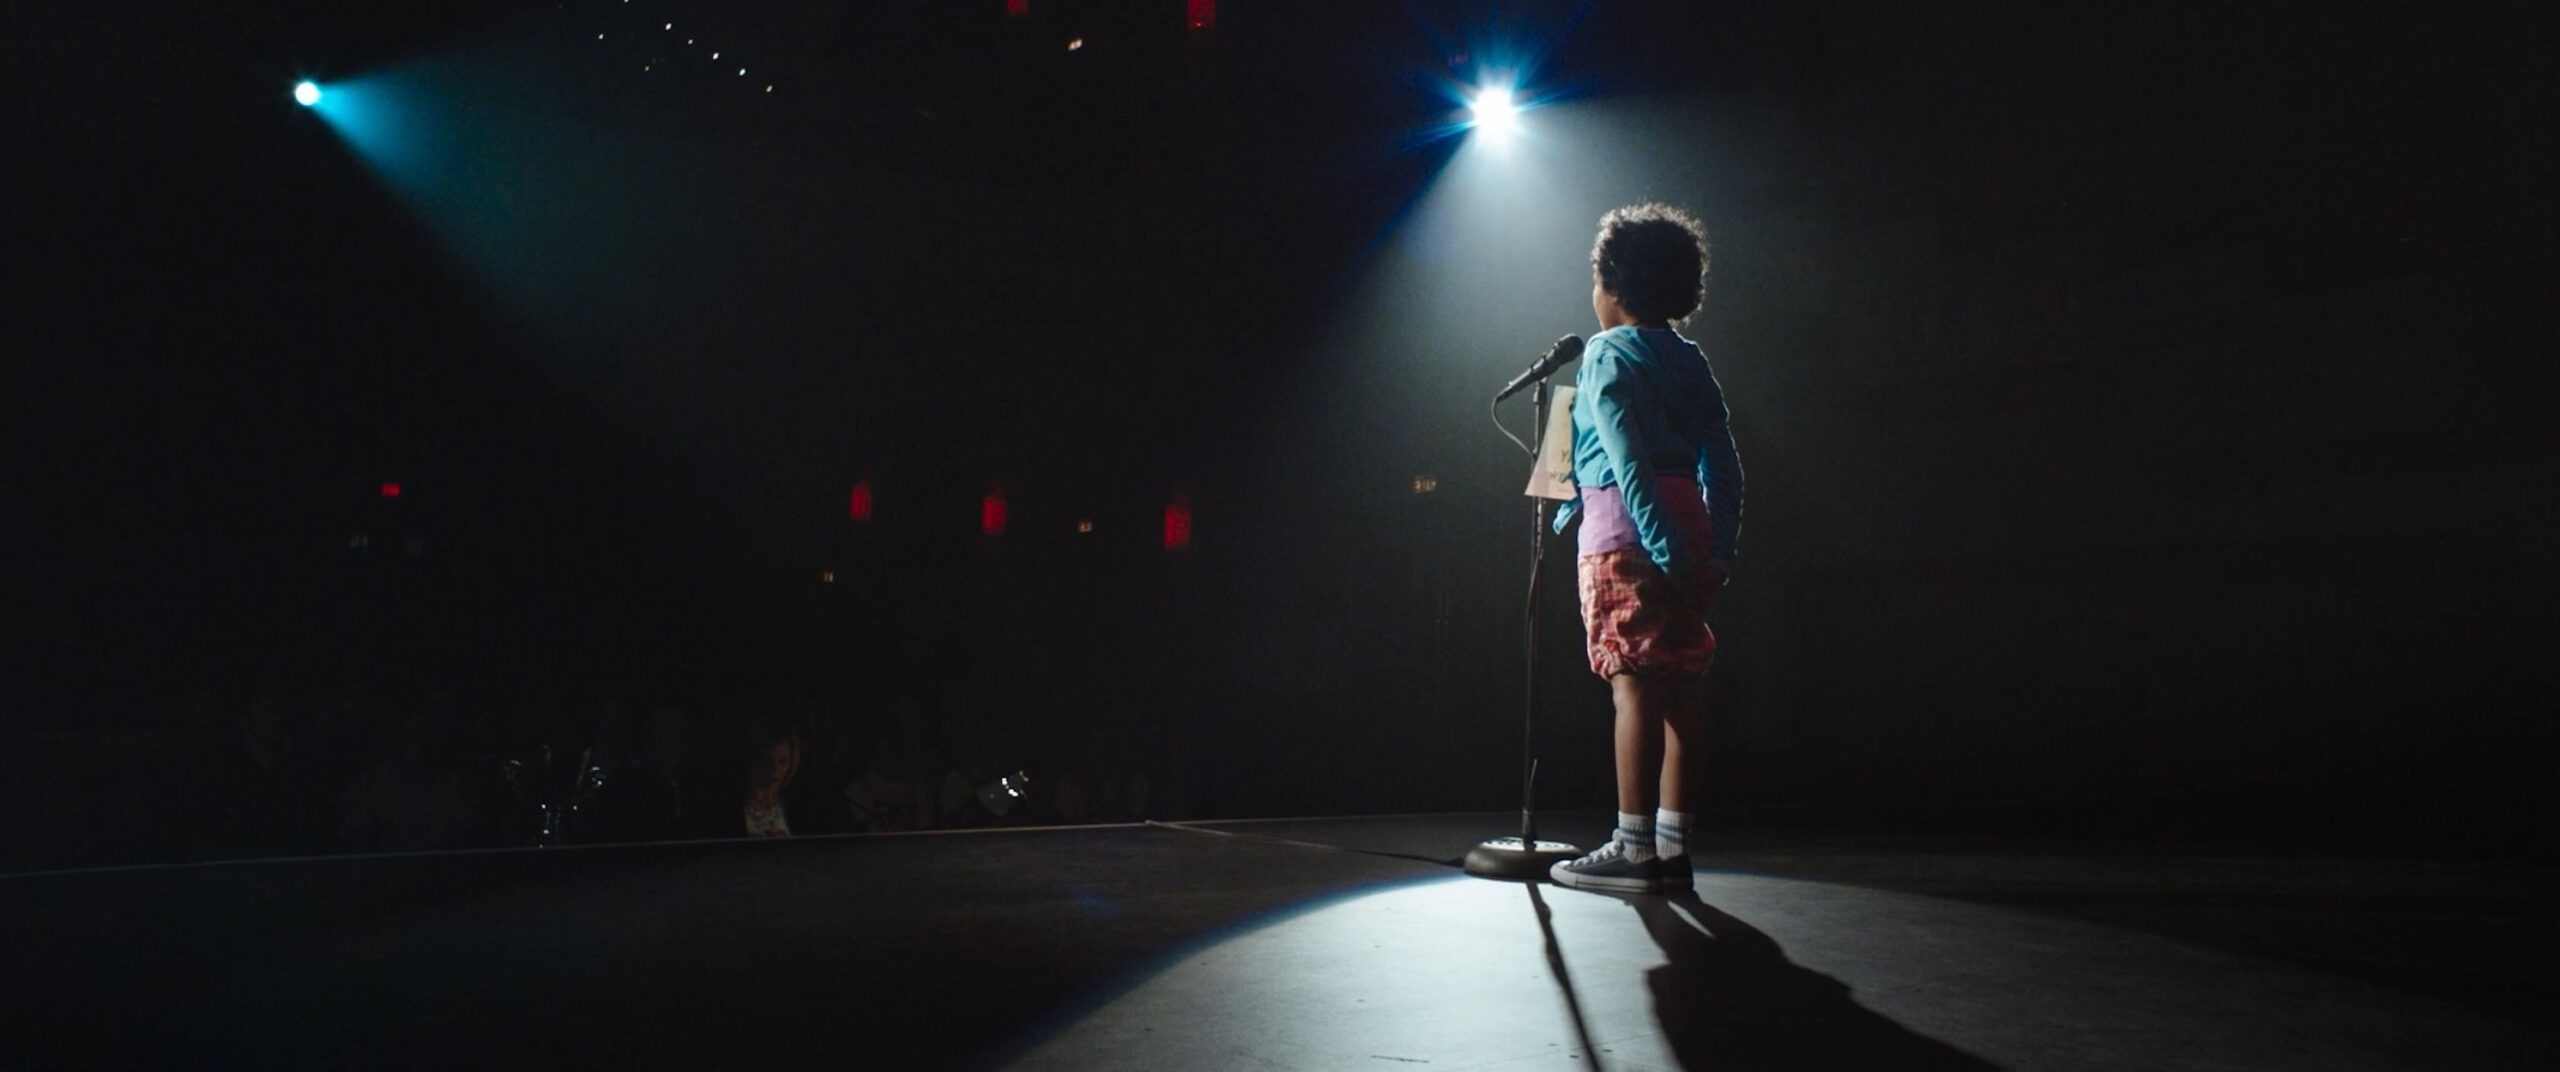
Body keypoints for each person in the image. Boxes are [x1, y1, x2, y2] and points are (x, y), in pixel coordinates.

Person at [1547, 203, 1743, 895]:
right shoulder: (1689, 357)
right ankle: (1671, 850)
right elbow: (1724, 463)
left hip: (1625, 535)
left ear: (1613, 285)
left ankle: (1633, 850)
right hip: (1688, 525)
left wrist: (1663, 550)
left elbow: (1627, 458)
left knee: (1632, 685)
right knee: (1682, 688)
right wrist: (1714, 554)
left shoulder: (1605, 353)